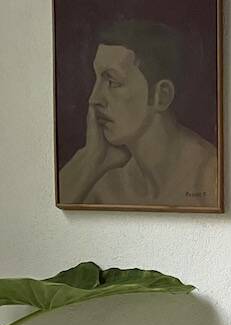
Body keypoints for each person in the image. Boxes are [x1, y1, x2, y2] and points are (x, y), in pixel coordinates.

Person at [58, 20, 218, 208]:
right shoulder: (105, 184)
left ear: (161, 96)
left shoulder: (211, 177)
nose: (94, 98)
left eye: (113, 82)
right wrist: (90, 158)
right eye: (97, 80)